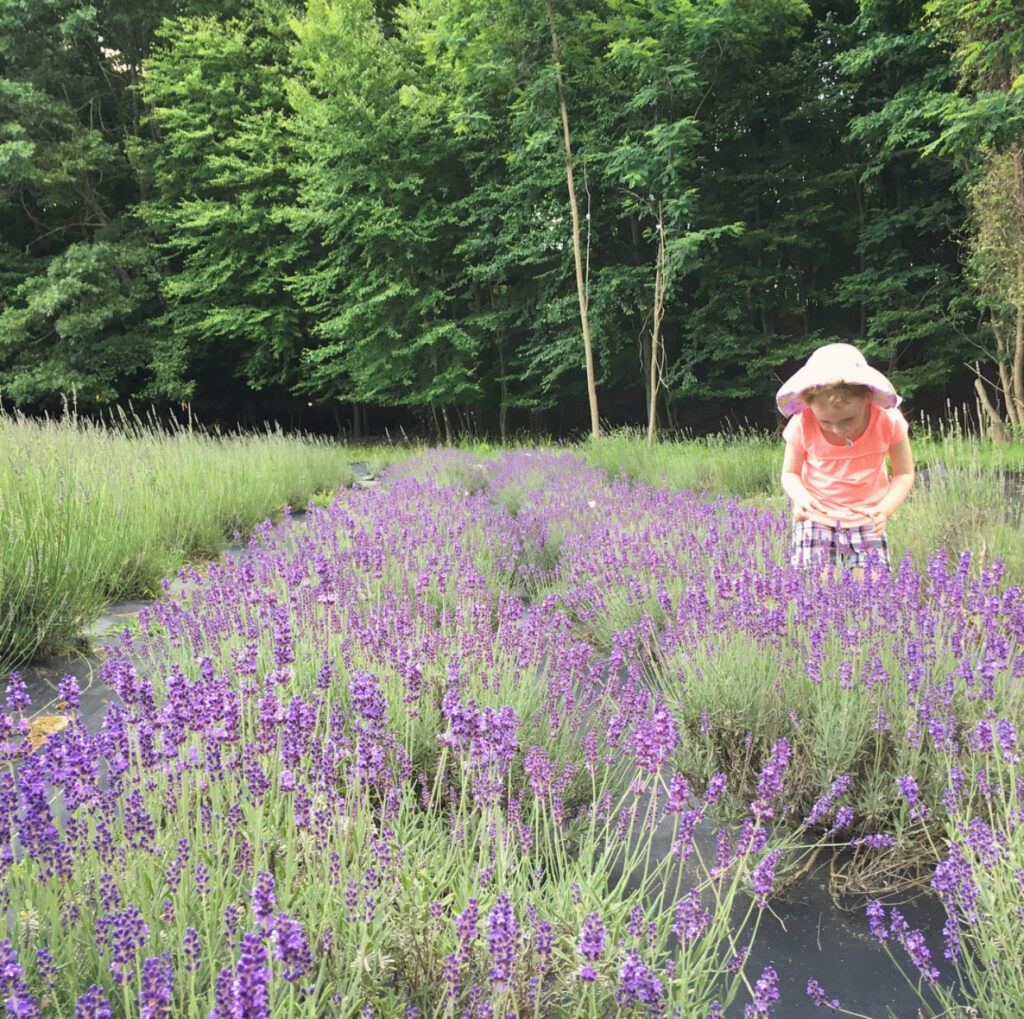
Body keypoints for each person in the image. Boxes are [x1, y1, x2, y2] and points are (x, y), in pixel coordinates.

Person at [776, 343, 914, 579]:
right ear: (809, 404)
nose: (838, 429)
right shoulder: (803, 422)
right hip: (816, 513)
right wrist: (800, 498)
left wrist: (885, 509)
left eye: (848, 420)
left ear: (868, 397)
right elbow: (790, 473)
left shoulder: (888, 421)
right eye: (826, 422)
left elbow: (904, 474)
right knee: (815, 586)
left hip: (868, 515)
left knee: (873, 588)